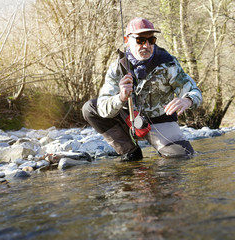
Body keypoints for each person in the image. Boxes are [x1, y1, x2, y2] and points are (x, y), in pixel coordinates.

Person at [82, 17, 202, 161]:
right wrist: (120, 97)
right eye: (140, 40)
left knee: (183, 157)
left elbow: (194, 90)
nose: (146, 45)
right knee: (90, 108)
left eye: (151, 40)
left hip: (160, 121)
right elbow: (102, 107)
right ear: (127, 41)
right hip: (128, 119)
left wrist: (187, 100)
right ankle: (130, 152)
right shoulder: (116, 68)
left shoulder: (168, 63)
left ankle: (163, 149)